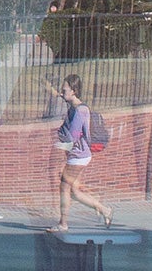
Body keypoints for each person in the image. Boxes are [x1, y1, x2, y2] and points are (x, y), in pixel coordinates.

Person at [47, 73, 111, 231]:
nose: (62, 92)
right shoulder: (75, 107)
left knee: (64, 186)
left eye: (65, 89)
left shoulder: (80, 111)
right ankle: (105, 210)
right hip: (78, 154)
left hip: (78, 155)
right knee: (73, 191)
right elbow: (63, 97)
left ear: (74, 91)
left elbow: (73, 137)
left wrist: (60, 145)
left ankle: (63, 224)